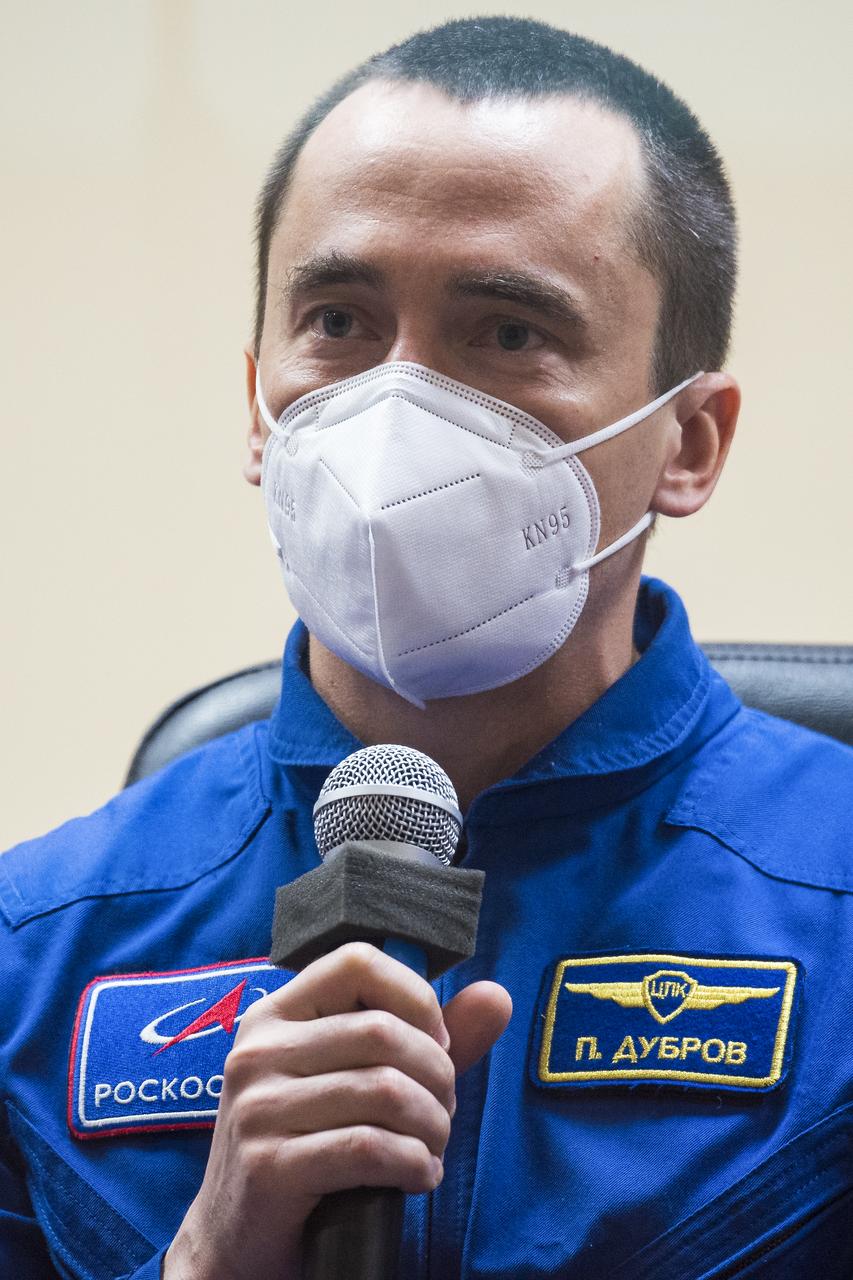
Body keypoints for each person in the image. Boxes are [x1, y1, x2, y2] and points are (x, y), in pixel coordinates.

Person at [1, 16, 851, 1280]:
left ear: (690, 443)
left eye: (507, 333)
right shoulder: (36, 948)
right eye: (338, 320)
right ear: (257, 402)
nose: (392, 409)